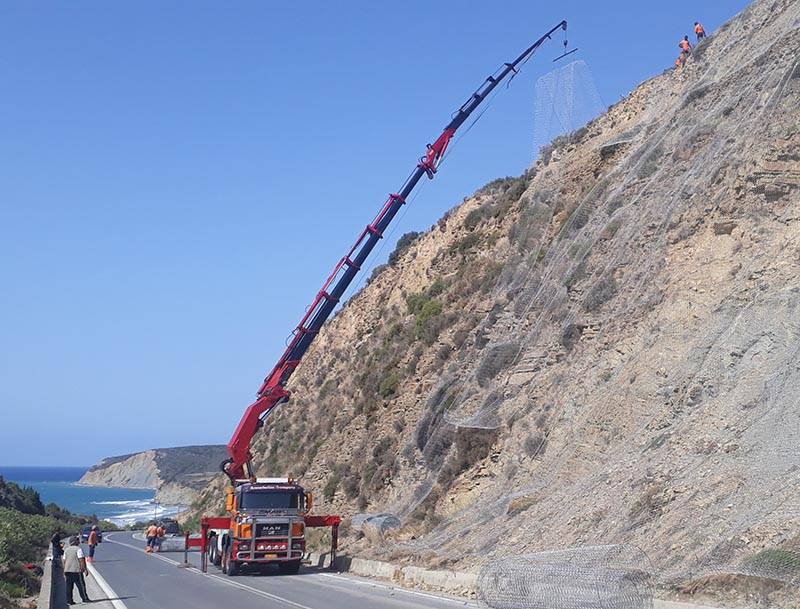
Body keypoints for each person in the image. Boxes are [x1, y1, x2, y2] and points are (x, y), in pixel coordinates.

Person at [63, 536, 91, 605]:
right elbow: (81, 559)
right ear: (75, 542)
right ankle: (84, 599)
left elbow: (64, 560)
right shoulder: (78, 549)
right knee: (81, 585)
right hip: (76, 570)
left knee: (69, 587)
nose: (79, 542)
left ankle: (69, 601)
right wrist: (85, 569)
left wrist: (64, 570)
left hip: (67, 571)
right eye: (78, 540)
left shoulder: (66, 550)